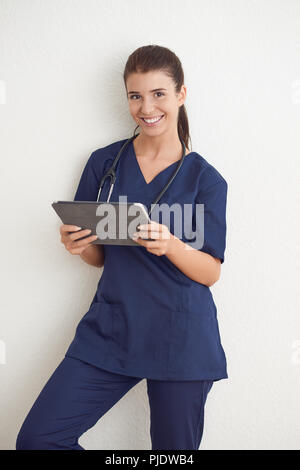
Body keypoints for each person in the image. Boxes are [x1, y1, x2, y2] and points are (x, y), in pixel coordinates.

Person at [16, 45, 228, 450]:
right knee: (39, 440)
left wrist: (170, 245)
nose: (146, 107)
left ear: (181, 94)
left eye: (158, 94)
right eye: (135, 95)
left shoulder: (206, 180)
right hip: (112, 329)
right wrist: (78, 246)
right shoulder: (104, 163)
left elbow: (211, 272)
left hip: (180, 337)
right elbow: (100, 256)